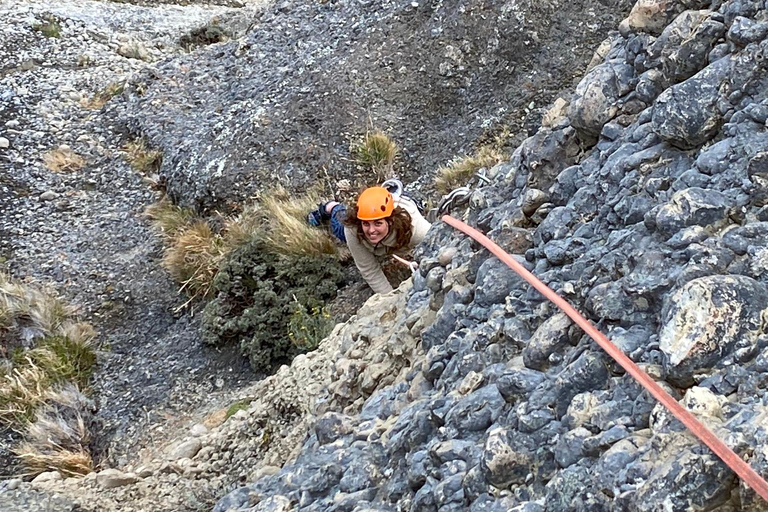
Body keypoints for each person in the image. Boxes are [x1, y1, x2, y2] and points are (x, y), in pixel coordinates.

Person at [308, 186, 432, 294]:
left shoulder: (413, 226)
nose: (371, 230)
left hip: (399, 225)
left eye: (377, 223)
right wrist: (389, 301)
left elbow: (436, 246)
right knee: (339, 225)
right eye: (366, 223)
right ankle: (331, 207)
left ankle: (400, 195)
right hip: (358, 232)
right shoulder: (353, 229)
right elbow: (369, 270)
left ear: (391, 221)